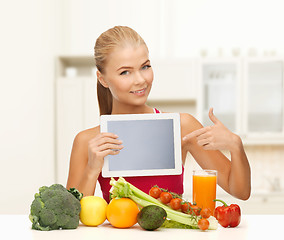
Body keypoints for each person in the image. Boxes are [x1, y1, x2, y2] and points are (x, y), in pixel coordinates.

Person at [66, 26, 251, 203]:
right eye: (125, 72)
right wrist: (92, 169)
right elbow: (70, 216)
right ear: (102, 79)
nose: (140, 80)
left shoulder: (182, 126)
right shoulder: (87, 142)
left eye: (145, 67)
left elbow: (240, 191)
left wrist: (235, 145)